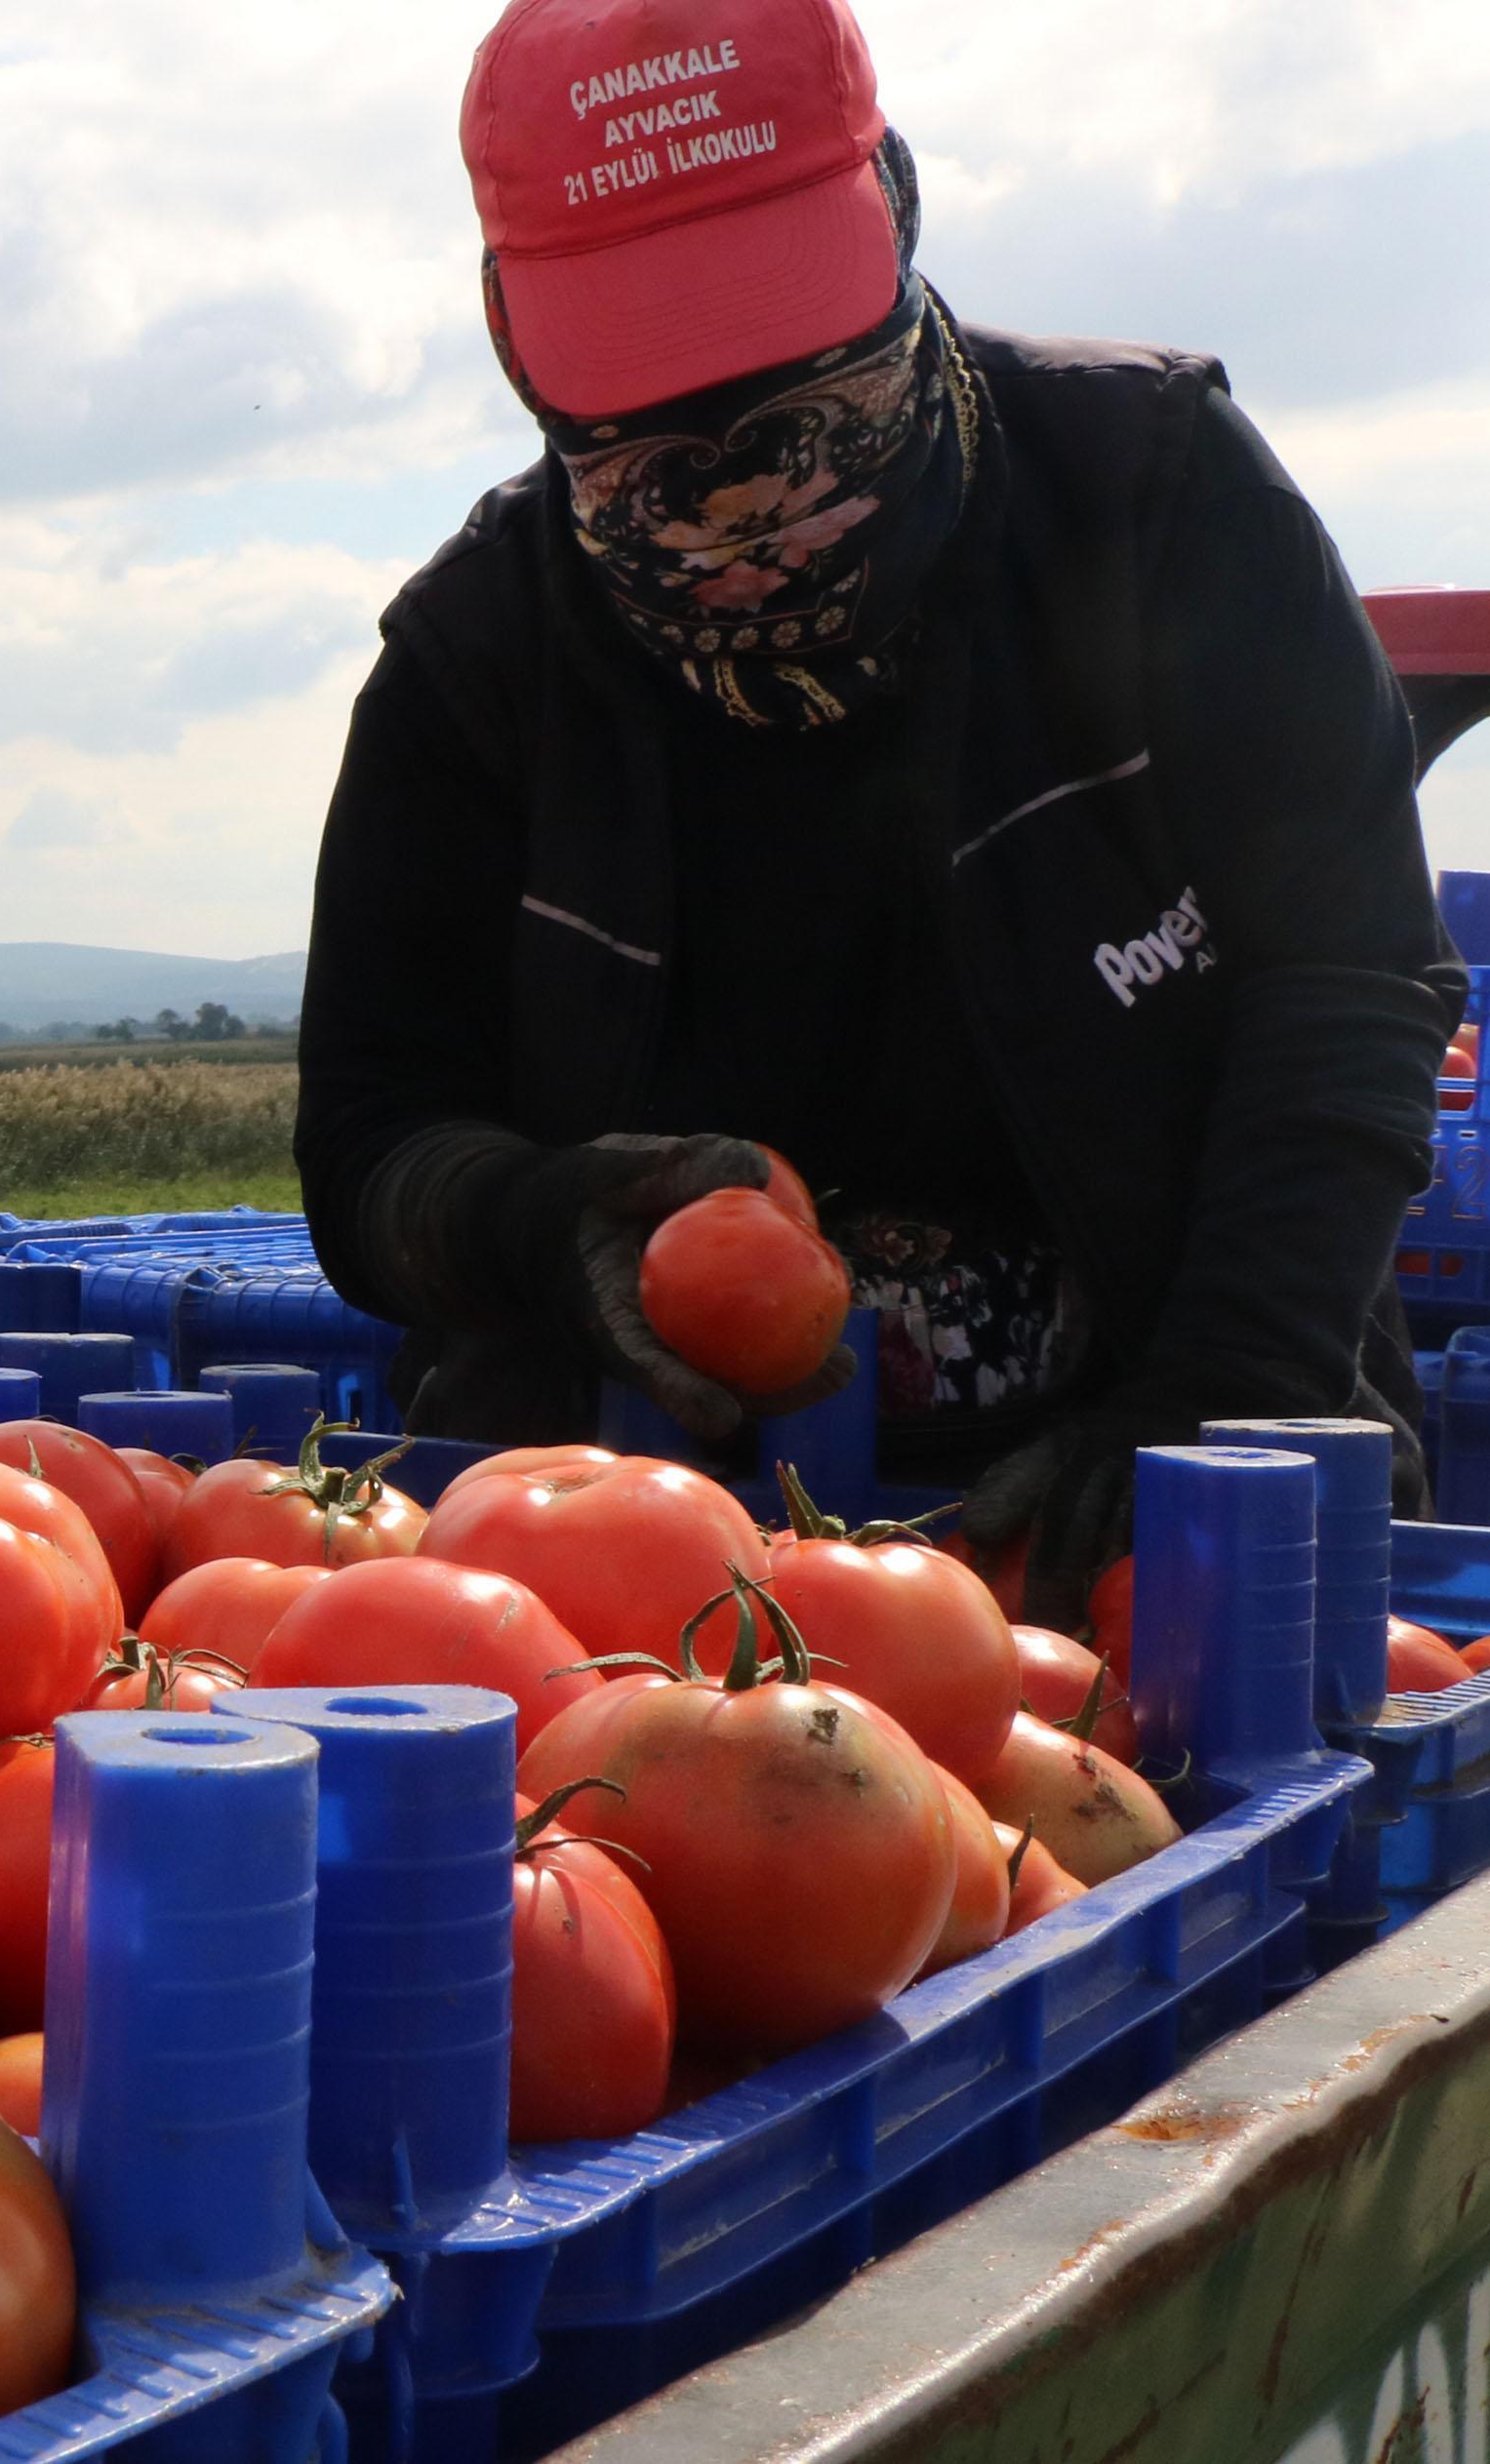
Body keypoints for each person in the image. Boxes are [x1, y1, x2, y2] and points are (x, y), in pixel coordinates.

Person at [296, 0, 1461, 1620]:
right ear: (511, 338)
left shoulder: (1158, 501)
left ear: (898, 203)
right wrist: (530, 1222)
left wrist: (1222, 1394)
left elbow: (1347, 982)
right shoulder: (474, 666)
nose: (740, 486)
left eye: (793, 374)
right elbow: (371, 1138)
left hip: (1184, 1474)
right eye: (651, 411)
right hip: (633, 1548)